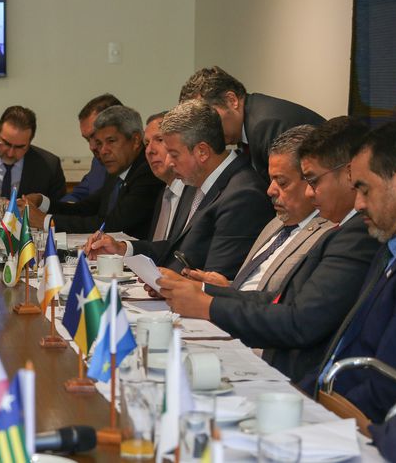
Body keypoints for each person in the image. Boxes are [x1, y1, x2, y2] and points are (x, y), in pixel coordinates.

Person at [157, 117, 380, 382]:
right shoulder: (329, 226)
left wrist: (209, 305)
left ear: (348, 174)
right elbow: (277, 298)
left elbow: (300, 321)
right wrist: (206, 292)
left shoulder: (355, 233)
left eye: (312, 180)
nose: (310, 193)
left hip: (291, 371)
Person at [311, 120, 396, 423]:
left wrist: (313, 417)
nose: (358, 204)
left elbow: (391, 384)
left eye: (364, 189)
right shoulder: (391, 244)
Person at [88, 100, 273, 279]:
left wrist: (166, 281)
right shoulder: (197, 182)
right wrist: (123, 248)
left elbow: (215, 279)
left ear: (202, 152)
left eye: (174, 154)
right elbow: (178, 249)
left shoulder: (243, 196)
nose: (169, 162)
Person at [186, 125, 332, 293]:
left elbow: (285, 305)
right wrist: (223, 287)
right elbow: (252, 288)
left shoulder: (327, 235)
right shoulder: (275, 223)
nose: (270, 190)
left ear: (310, 180)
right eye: (271, 180)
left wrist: (224, 294)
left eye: (282, 182)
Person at [23, 105, 162, 239]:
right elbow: (85, 208)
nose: (103, 151)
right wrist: (42, 202)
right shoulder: (118, 170)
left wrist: (46, 221)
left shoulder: (147, 172)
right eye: (100, 143)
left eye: (111, 141)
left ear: (136, 140)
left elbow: (112, 225)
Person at [180, 66, 325, 185]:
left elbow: (293, 192)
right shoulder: (249, 124)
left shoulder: (265, 127)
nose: (205, 129)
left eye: (207, 116)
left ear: (232, 100)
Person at [0, 105, 66, 201]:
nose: (10, 153)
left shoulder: (49, 166)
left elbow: (58, 209)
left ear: (30, 141)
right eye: (6, 143)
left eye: (20, 147)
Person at [61, 93, 123, 202]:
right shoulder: (98, 163)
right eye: (87, 139)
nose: (91, 147)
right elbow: (78, 195)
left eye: (95, 136)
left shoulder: (147, 165)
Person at [142, 111, 184, 241]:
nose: (149, 150)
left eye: (159, 140)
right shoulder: (163, 194)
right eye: (146, 143)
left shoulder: (195, 195)